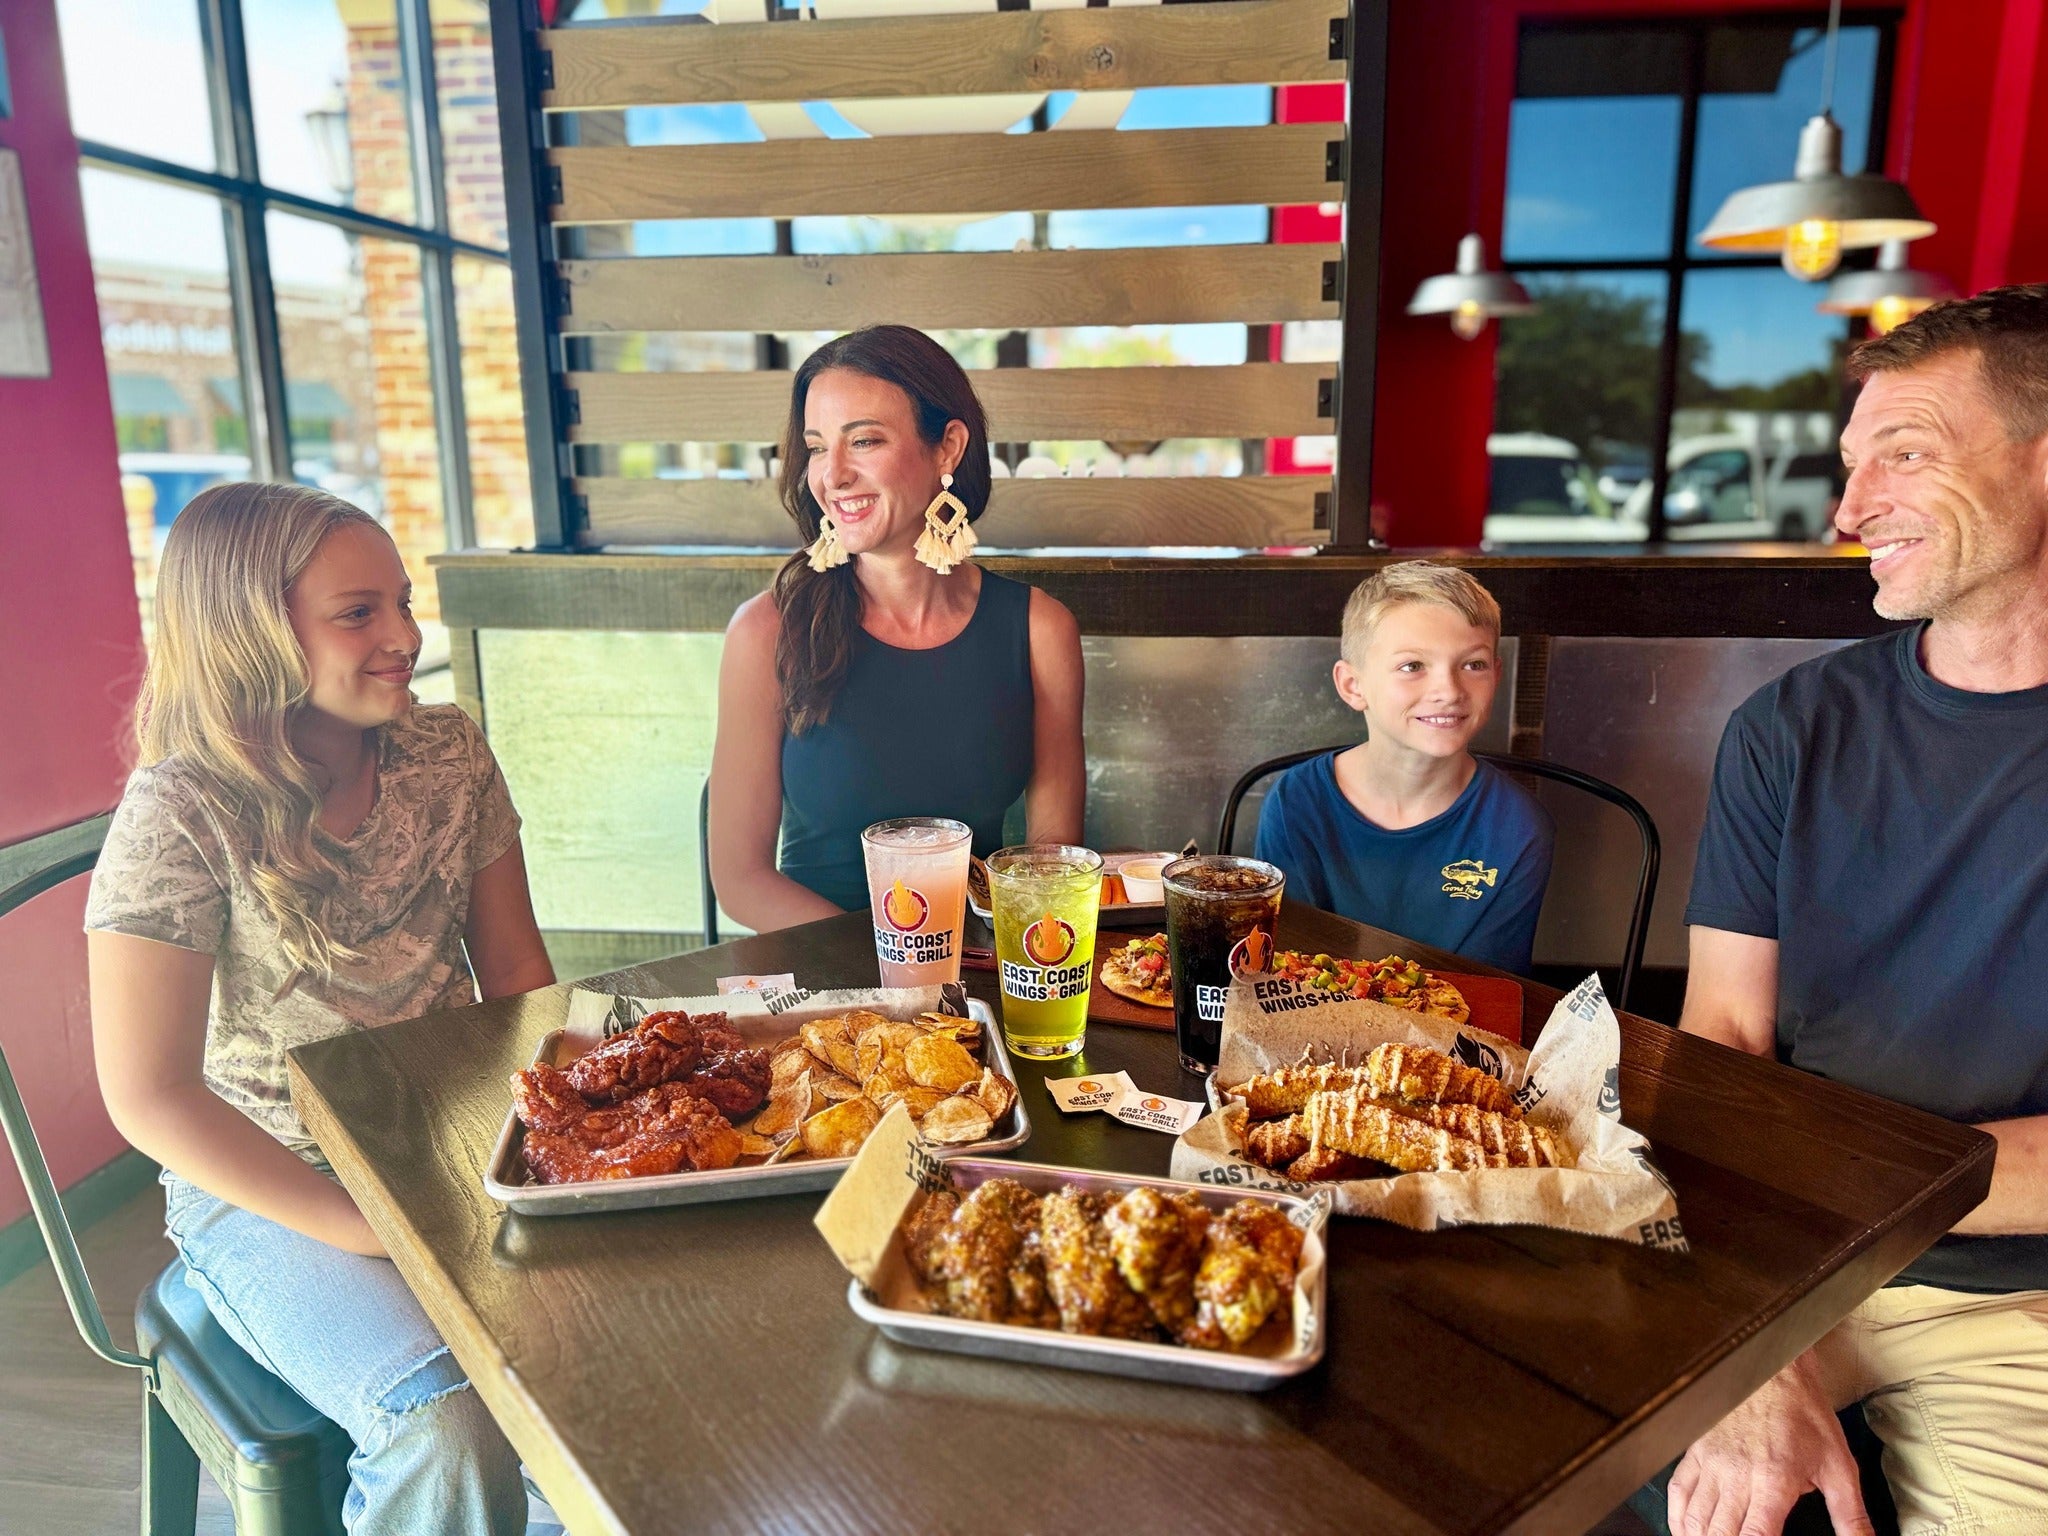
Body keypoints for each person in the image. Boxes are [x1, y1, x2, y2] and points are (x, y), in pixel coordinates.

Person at [85, 484, 557, 1534]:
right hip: (268, 1183)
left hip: (452, 1146)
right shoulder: (179, 810)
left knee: (619, 1362)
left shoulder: (449, 755)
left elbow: (518, 974)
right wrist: (366, 1224)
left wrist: (555, 1141)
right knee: (443, 1422)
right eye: (358, 614)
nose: (404, 636)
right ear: (250, 635)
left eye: (399, 601)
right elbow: (149, 1097)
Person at [1670, 284, 2048, 1536]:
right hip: (1784, 1263)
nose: (1846, 510)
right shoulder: (1789, 728)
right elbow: (1723, 1053)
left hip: (2010, 1306)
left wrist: (1822, 1177)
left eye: (1904, 453)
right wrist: (1755, 1349)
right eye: (1850, 462)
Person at [710, 325, 1086, 930]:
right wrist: (895, 980)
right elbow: (740, 881)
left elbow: (1048, 865)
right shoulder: (766, 631)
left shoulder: (1040, 629)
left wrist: (958, 992)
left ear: (947, 448)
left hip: (977, 978)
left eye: (863, 441)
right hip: (817, 980)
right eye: (815, 446)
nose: (831, 475)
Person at [1253, 560, 1554, 973]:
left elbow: (1489, 993)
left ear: (1496, 676)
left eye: (1473, 664)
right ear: (1353, 686)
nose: (1448, 690)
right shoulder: (1295, 803)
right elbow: (1289, 972)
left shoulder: (1519, 827)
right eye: (1412, 666)